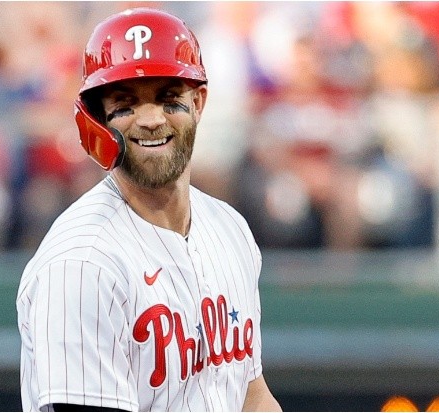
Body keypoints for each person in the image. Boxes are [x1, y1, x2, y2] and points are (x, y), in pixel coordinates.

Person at [16, 8, 282, 412]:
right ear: (96, 120)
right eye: (125, 104)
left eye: (168, 98)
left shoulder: (230, 229)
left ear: (199, 102)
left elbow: (251, 395)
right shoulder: (82, 262)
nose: (151, 120)